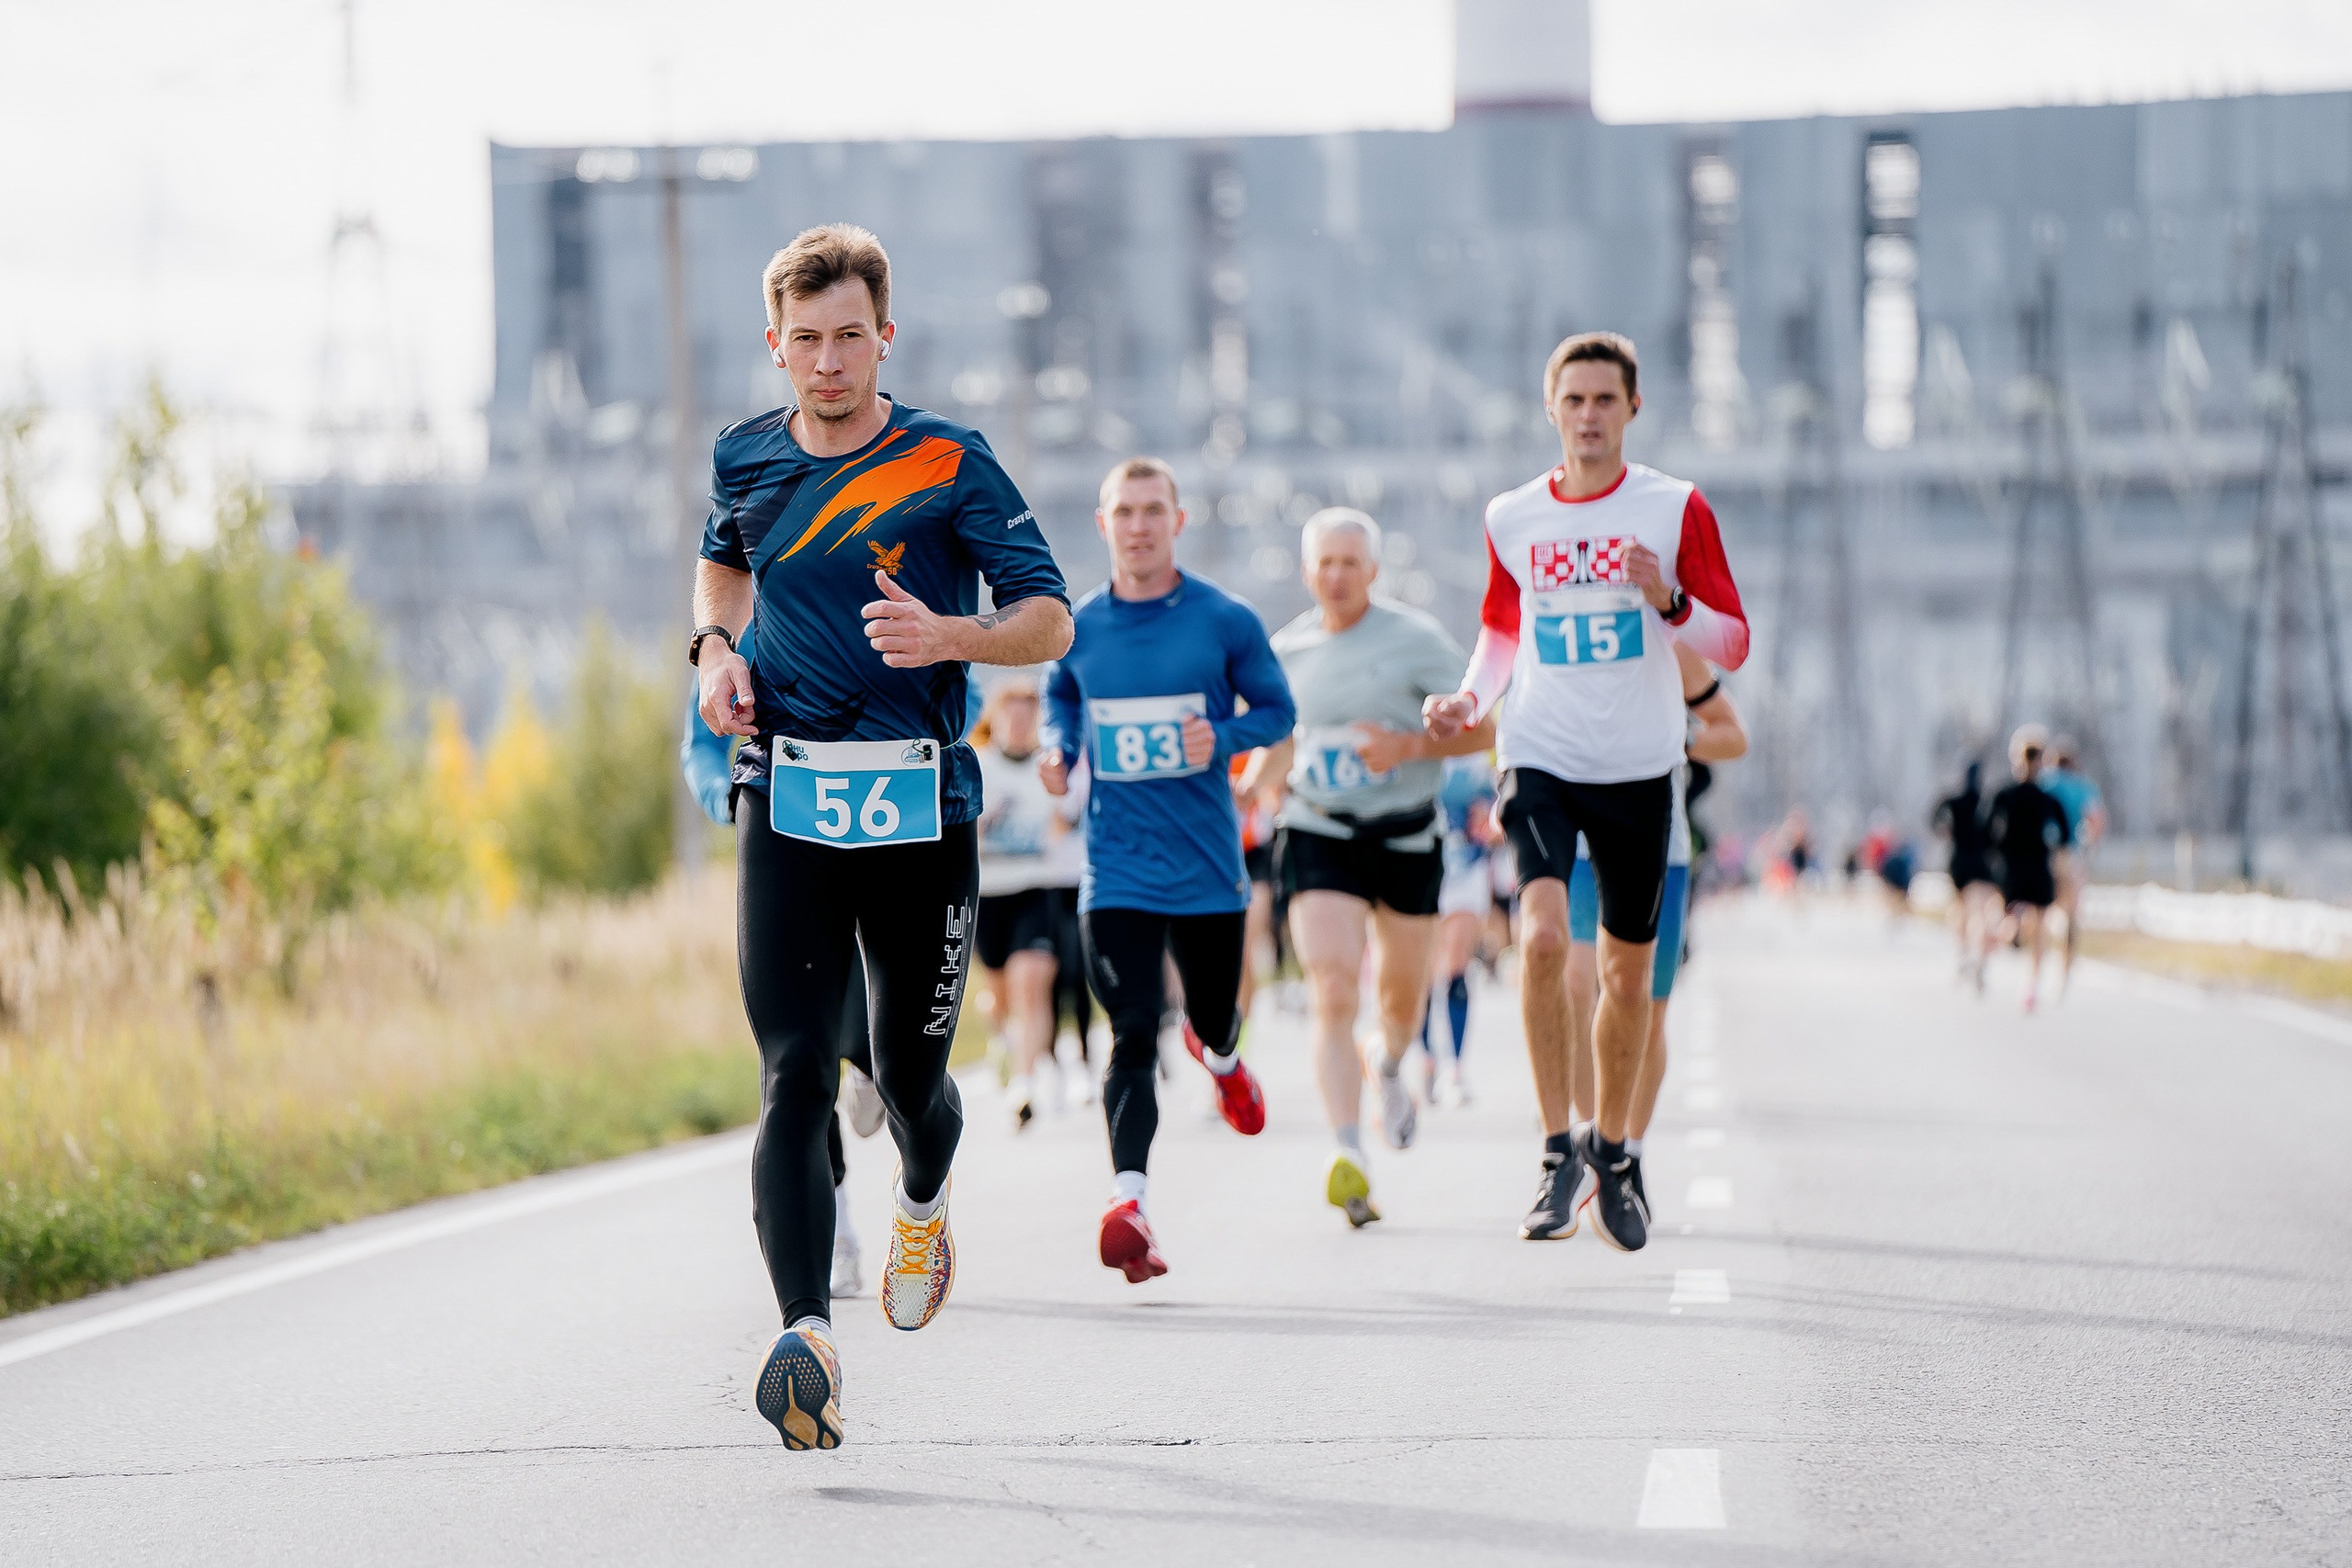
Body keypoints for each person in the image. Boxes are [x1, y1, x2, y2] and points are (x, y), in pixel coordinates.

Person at [690, 224, 1073, 1450]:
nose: (828, 361)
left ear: (884, 337)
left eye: (849, 336)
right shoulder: (745, 456)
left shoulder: (950, 460)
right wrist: (713, 654)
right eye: (806, 339)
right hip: (787, 795)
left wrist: (954, 638)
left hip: (922, 804)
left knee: (908, 1078)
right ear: (776, 344)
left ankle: (921, 1197)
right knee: (796, 1070)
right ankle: (806, 1335)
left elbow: (1050, 617)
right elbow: (722, 568)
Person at [1424, 330, 1750, 1253]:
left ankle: (1613, 1150)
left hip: (1639, 767)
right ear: (1551, 409)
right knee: (1538, 942)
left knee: (1625, 977)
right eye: (1573, 400)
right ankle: (1555, 1150)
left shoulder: (1674, 507)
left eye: (1606, 399)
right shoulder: (1512, 516)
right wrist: (1468, 699)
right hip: (1540, 752)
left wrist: (1668, 601)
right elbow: (1500, 631)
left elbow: (1732, 640)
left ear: (1632, 408)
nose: (1589, 415)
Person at [1042, 457, 1295, 1281]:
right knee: (1130, 1028)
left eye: (1154, 510)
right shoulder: (1079, 627)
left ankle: (1220, 1057)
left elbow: (1279, 709)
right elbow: (1060, 700)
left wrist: (1222, 737)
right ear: (1103, 523)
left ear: (1178, 521)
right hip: (1117, 867)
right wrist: (1059, 752)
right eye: (1125, 511)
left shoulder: (1224, 620)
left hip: (1206, 866)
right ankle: (1130, 1203)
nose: (1140, 525)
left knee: (1214, 1015)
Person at [1248, 508, 1495, 1229]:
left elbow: (1483, 726)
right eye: (1324, 562)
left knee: (1402, 1003)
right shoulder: (1286, 650)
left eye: (1350, 562)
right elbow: (1283, 738)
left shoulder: (1416, 639)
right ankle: (1348, 1148)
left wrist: (1409, 747)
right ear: (1307, 571)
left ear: (1373, 571)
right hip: (1318, 828)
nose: (1336, 575)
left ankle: (1386, 1060)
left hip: (1406, 834)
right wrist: (1254, 780)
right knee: (1330, 986)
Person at [682, 637, 886, 1302]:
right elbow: (700, 741)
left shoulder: (875, 598)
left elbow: (952, 691)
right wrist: (730, 797)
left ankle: (874, 1070)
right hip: (789, 854)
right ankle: (840, 1236)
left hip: (886, 846)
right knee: (801, 1063)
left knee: (873, 1039)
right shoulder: (735, 634)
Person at [1561, 640, 1747, 1226]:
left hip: (1659, 847)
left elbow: (1733, 738)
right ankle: (1592, 1136)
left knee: (1645, 1008)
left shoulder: (1671, 648)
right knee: (1576, 985)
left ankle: (1626, 1150)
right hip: (1577, 846)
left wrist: (1675, 738)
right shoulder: (1566, 638)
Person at [972, 676, 1085, 1130]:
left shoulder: (1048, 766)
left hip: (1034, 889)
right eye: (1011, 715)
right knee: (998, 996)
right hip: (987, 893)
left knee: (1032, 982)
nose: (1020, 724)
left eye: (1028, 715)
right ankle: (1001, 1039)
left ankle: (1023, 1084)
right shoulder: (977, 765)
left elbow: (1064, 821)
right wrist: (987, 822)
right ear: (996, 719)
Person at [1425, 751, 1499, 1106]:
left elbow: (1495, 798)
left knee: (1456, 967)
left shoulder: (1477, 750)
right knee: (1424, 972)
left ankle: (1455, 1069)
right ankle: (1427, 1060)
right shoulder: (1417, 738)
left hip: (1466, 866)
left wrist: (1486, 813)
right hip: (1422, 864)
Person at [1984, 725, 2069, 1013]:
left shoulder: (2004, 795)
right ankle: (2031, 987)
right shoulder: (2048, 800)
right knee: (2040, 926)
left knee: (2009, 918)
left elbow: (1987, 833)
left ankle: (1996, 945)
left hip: (2012, 869)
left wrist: (1998, 855)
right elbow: (2064, 836)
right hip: (2038, 867)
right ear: (2041, 761)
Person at [2040, 737, 2106, 996]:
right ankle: (2065, 970)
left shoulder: (2044, 783)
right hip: (2072, 854)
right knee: (2071, 915)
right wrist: (2089, 846)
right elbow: (2096, 820)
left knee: (2042, 911)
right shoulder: (2083, 786)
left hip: (2044, 855)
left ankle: (2038, 964)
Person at [1933, 761, 1999, 991]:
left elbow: (1935, 820)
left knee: (1960, 910)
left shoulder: (1954, 802)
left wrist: (1949, 831)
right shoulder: (1986, 804)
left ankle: (1963, 954)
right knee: (1980, 913)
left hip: (1960, 863)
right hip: (1981, 865)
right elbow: (1994, 836)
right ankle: (1978, 958)